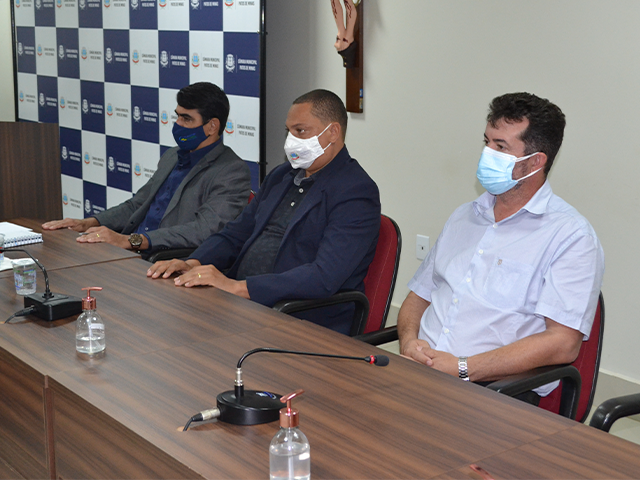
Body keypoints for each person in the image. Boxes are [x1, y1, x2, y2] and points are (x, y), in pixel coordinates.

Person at [398, 92, 604, 403]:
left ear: (535, 162)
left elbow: (563, 343)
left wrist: (463, 368)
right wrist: (409, 341)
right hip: (419, 373)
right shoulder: (464, 216)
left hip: (492, 394)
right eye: (486, 142)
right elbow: (419, 295)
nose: (487, 154)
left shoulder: (571, 236)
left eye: (500, 147)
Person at [148, 89, 381, 335]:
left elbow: (323, 277)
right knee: (165, 325)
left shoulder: (356, 191)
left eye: (300, 131)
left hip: (301, 317)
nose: (291, 140)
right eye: (288, 131)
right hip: (243, 304)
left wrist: (238, 287)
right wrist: (193, 262)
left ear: (332, 132)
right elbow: (236, 233)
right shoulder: (281, 175)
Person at [42, 82, 251, 254]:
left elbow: (203, 230)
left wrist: (132, 241)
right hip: (131, 252)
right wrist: (88, 223)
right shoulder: (172, 156)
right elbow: (137, 205)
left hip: (164, 259)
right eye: (178, 116)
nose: (178, 124)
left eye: (187, 119)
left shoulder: (231, 171)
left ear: (212, 126)